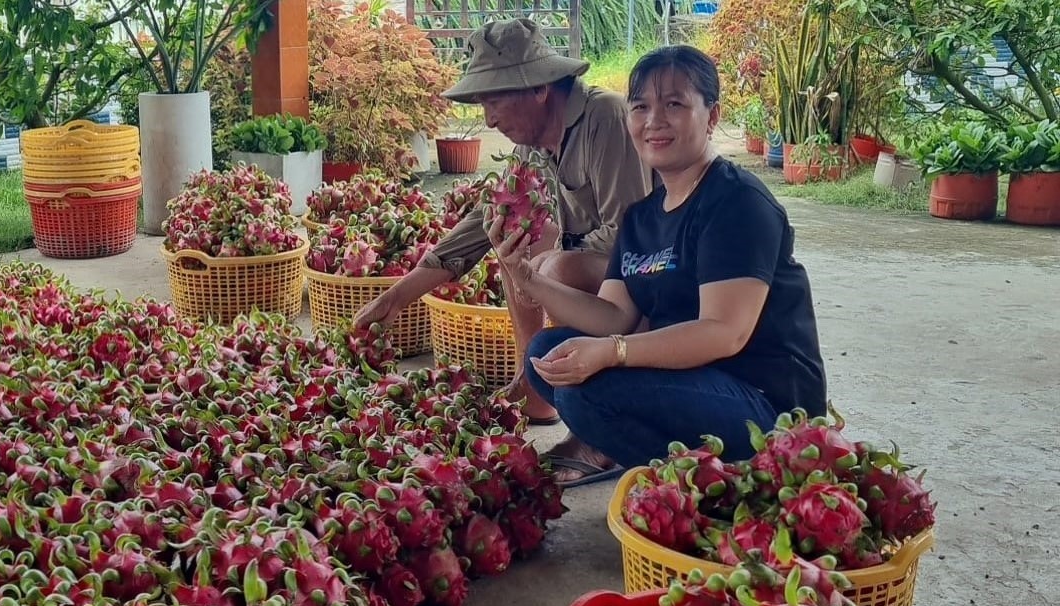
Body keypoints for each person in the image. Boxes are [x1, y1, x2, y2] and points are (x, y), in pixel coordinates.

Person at [488, 44, 828, 487]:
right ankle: (684, 478)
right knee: (546, 355)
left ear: (712, 115)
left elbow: (725, 331)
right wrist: (526, 277)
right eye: (641, 106)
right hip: (692, 383)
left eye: (674, 104)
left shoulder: (736, 201)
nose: (654, 121)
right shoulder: (643, 216)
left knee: (586, 394)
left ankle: (732, 480)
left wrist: (613, 352)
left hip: (765, 402)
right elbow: (613, 315)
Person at [352, 18, 652, 426]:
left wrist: (543, 273)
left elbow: (631, 237)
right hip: (598, 284)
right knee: (513, 234)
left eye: (494, 102)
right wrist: (397, 298)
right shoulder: (532, 143)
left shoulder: (605, 117)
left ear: (539, 89)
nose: (489, 120)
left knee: (553, 265)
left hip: (648, 287)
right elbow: (485, 219)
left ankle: (583, 394)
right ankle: (533, 381)